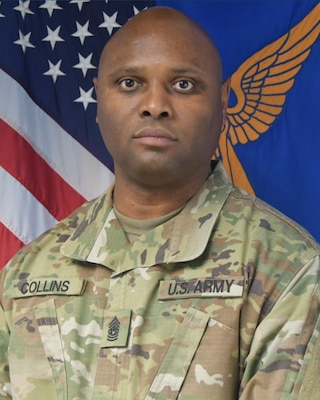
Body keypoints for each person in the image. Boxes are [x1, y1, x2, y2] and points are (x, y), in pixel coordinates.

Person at [0, 6, 319, 400]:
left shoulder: (289, 268)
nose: (155, 105)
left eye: (183, 85)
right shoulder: (28, 272)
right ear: (99, 98)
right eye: (130, 82)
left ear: (222, 104)